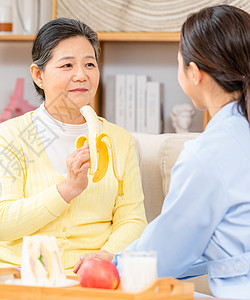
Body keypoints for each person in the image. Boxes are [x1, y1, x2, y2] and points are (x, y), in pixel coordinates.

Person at [75, 5, 250, 299]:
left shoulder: (208, 154)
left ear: (193, 73)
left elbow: (170, 248)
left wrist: (115, 264)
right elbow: (210, 246)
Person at [0, 18, 147, 275]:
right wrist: (67, 189)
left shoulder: (119, 141)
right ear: (39, 76)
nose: (81, 75)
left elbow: (133, 219)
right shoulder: (12, 136)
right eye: (67, 65)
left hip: (86, 277)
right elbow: (2, 223)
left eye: (90, 64)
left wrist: (105, 256)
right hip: (17, 273)